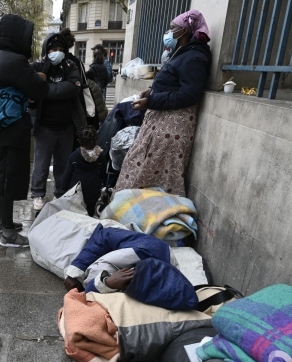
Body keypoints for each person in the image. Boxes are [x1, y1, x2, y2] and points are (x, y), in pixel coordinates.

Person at [115, 10, 211, 197]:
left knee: (151, 175)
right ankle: (127, 208)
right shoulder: (182, 53)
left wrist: (151, 101)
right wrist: (151, 91)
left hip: (171, 128)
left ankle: (145, 212)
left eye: (171, 28)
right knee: (137, 167)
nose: (167, 33)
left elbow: (188, 95)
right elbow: (172, 83)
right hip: (160, 123)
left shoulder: (194, 57)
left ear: (184, 31)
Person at [0, 14, 49, 247]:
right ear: (17, 36)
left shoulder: (0, 57)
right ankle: (8, 234)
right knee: (7, 178)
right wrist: (39, 77)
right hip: (10, 131)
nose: (29, 40)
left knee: (1, 176)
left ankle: (2, 222)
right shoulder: (14, 61)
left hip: (0, 129)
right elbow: (40, 89)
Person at [29, 32, 85, 211]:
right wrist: (54, 89)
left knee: (63, 164)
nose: (57, 52)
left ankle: (60, 193)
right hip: (44, 126)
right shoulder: (38, 66)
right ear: (47, 49)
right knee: (41, 163)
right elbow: (30, 88)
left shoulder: (70, 65)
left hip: (66, 126)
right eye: (54, 49)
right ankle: (38, 193)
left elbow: (73, 87)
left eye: (61, 49)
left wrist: (45, 88)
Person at [59, 127, 106, 217]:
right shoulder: (101, 157)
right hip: (93, 189)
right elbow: (103, 174)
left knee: (76, 213)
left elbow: (67, 174)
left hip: (77, 189)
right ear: (95, 140)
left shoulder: (74, 156)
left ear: (79, 141)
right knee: (90, 212)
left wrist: (63, 190)